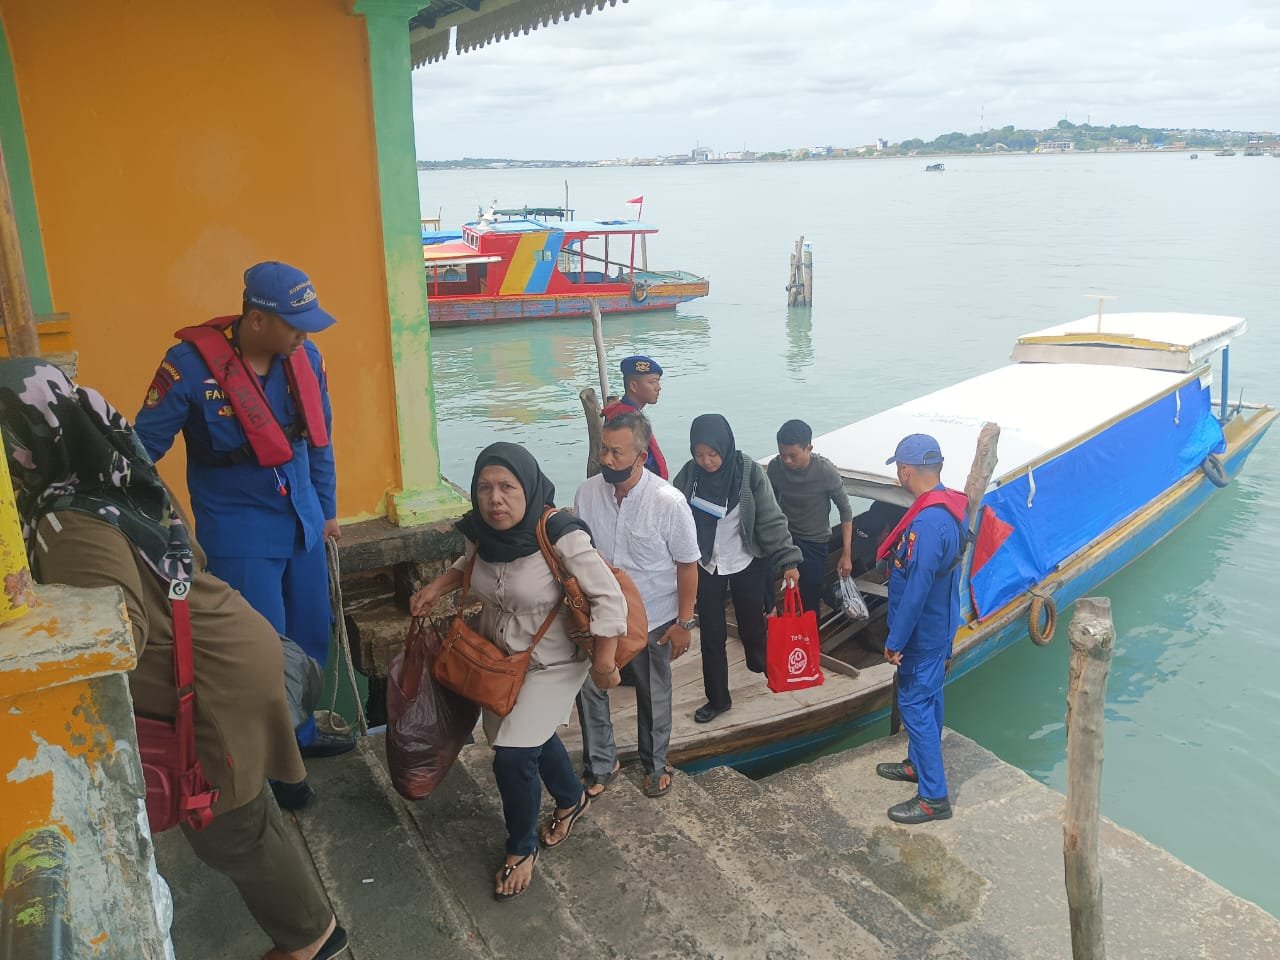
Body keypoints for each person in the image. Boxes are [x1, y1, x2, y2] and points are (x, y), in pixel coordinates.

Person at [0, 358, 347, 960]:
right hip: (231, 649)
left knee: (230, 830)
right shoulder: (111, 476)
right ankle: (313, 931)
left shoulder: (66, 521)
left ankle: (312, 940)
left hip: (214, 683)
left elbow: (117, 637)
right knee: (241, 812)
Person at [133, 262, 351, 762]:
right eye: (294, 323)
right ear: (256, 320)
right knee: (262, 652)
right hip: (241, 533)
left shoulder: (306, 358)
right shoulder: (188, 368)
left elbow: (320, 441)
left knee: (312, 635)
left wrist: (328, 510)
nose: (304, 334)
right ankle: (275, 767)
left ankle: (301, 738)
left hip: (304, 524)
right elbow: (142, 449)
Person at [409, 443, 628, 901]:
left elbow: (609, 597)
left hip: (553, 662)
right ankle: (571, 798)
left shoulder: (561, 533)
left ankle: (521, 847)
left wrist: (605, 664)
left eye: (507, 487)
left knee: (510, 755)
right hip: (500, 660)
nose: (495, 499)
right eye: (485, 488)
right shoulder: (482, 532)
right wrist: (437, 586)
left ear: (527, 487)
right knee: (524, 738)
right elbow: (469, 563)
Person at [574, 412, 700, 798]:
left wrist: (684, 622)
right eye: (603, 451)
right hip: (599, 615)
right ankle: (601, 762)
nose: (607, 460)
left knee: (653, 692)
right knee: (590, 687)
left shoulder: (668, 502)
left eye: (616, 452)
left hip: (654, 617)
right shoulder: (586, 493)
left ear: (641, 457)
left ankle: (656, 763)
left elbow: (687, 565)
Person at [672, 414, 802, 724]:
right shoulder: (690, 476)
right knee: (712, 636)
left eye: (712, 453)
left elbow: (770, 517)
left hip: (745, 561)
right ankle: (718, 699)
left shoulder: (748, 472)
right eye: (699, 454)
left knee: (752, 626)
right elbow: (672, 516)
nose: (707, 461)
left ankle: (760, 663)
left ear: (726, 446)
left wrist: (788, 560)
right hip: (706, 565)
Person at [875, 433, 969, 825]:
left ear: (906, 471)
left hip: (923, 632)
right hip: (940, 623)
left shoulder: (928, 524)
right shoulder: (949, 508)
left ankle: (934, 797)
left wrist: (895, 640)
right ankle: (916, 763)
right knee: (930, 697)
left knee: (915, 704)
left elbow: (916, 589)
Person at [767, 418, 855, 616]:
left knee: (810, 595)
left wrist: (846, 554)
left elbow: (845, 510)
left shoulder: (825, 471)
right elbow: (769, 505)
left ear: (809, 448)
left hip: (814, 541)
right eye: (783, 455)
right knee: (766, 581)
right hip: (785, 539)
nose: (787, 461)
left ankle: (811, 636)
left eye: (793, 455)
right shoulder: (775, 467)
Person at [601, 355, 667, 479]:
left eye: (658, 381)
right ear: (633, 386)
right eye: (652, 382)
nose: (658, 387)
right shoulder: (627, 419)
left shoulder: (623, 410)